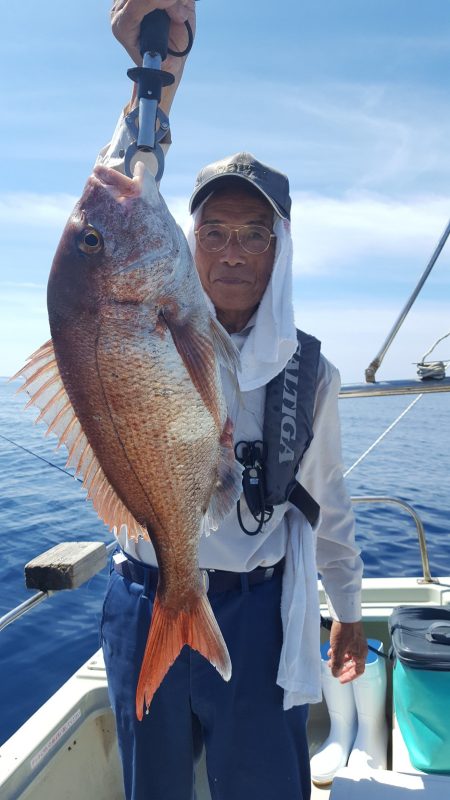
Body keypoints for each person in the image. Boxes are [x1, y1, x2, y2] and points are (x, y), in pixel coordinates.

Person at [100, 3, 368, 799]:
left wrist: (348, 609)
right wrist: (160, 70)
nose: (232, 252)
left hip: (258, 621)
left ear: (280, 250)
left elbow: (331, 503)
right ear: (187, 241)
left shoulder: (309, 373)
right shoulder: (154, 324)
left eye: (255, 234)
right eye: (214, 231)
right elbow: (117, 192)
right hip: (147, 598)